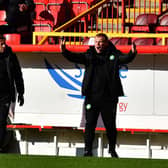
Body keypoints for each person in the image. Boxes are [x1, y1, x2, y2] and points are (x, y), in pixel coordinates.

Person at [60, 33, 137, 157]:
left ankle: (112, 150)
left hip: (109, 98)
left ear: (106, 43)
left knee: (110, 125)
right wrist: (64, 50)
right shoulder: (89, 55)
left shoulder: (113, 55)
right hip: (92, 97)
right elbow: (74, 57)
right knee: (89, 124)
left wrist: (132, 53)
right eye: (96, 42)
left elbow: (125, 58)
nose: (98, 44)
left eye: (101, 42)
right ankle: (87, 150)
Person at [0, 34, 24, 152]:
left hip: (5, 95)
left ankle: (0, 146)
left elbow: (18, 75)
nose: (4, 46)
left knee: (1, 120)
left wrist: (21, 92)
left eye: (4, 43)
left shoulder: (10, 56)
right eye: (1, 44)